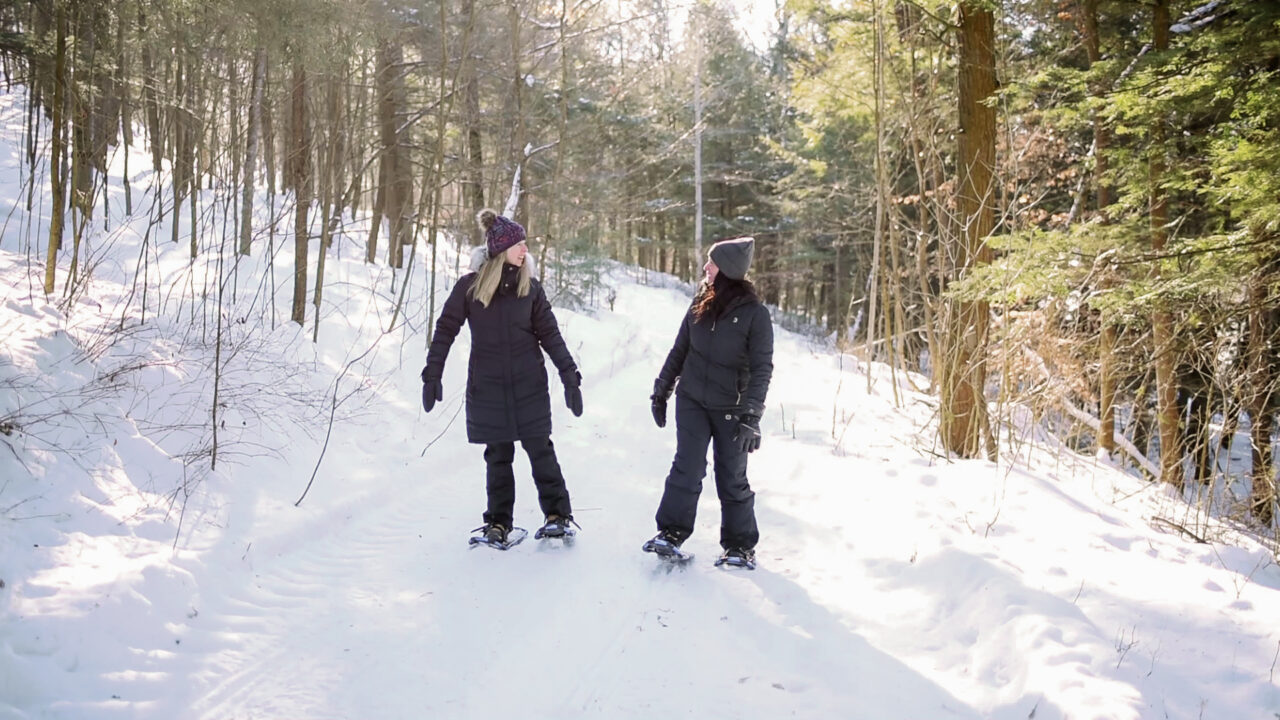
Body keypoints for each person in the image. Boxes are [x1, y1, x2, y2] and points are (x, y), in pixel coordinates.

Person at [421, 209, 583, 545]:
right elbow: (446, 329)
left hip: (529, 387)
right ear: (501, 249)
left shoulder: (531, 289)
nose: (525, 250)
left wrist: (570, 375)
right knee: (498, 456)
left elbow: (551, 335)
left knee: (541, 451)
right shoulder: (470, 288)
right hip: (488, 388)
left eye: (525, 244)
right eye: (519, 244)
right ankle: (498, 523)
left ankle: (558, 516)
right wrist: (432, 373)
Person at [645, 236, 774, 567]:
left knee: (731, 476)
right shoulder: (700, 302)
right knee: (687, 467)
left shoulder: (755, 315)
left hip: (731, 408)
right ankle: (670, 533)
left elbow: (762, 369)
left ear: (727, 270)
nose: (705, 267)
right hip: (692, 401)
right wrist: (662, 389)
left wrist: (751, 416)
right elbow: (680, 349)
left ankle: (740, 546)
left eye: (712, 263)